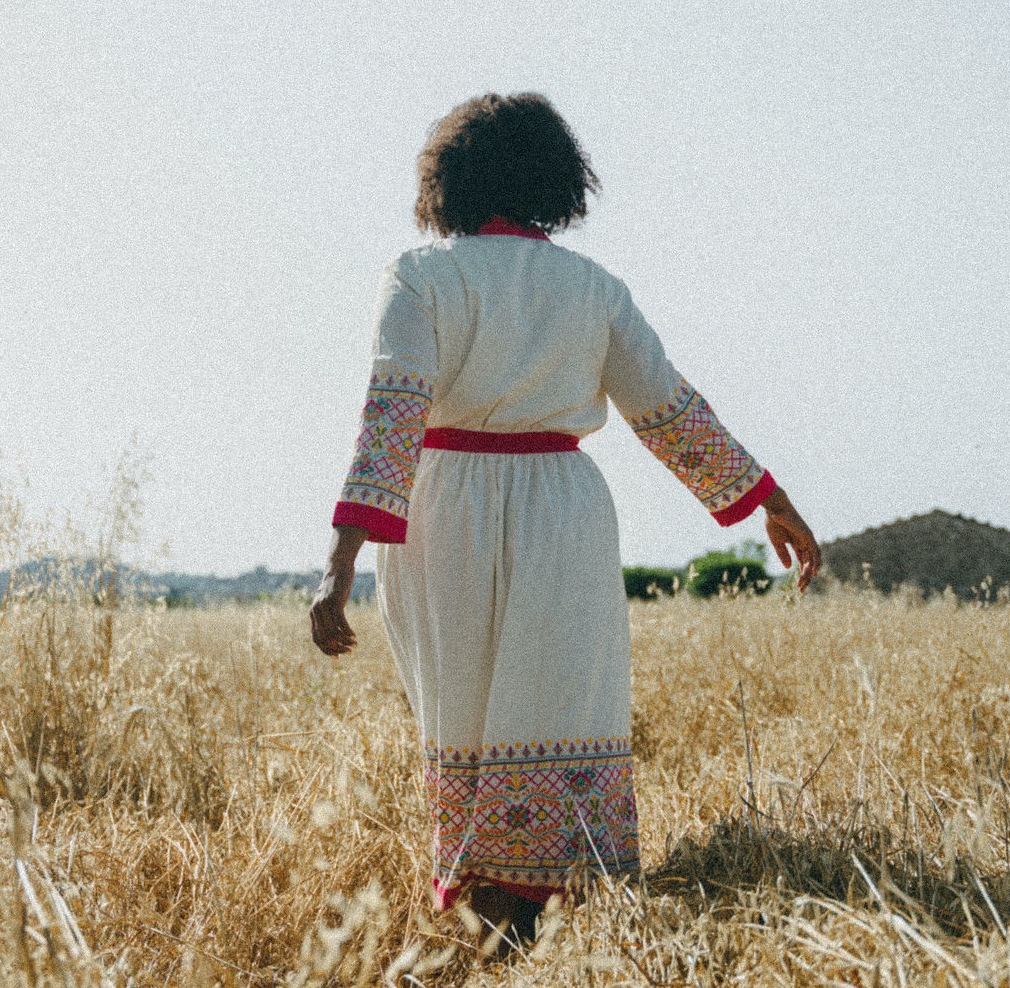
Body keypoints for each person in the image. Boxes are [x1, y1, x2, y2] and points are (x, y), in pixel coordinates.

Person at [308, 92, 821, 946]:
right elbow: (672, 413)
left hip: (443, 515)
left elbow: (390, 421)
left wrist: (340, 563)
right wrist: (770, 499)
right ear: (554, 179)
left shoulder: (421, 276)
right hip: (564, 513)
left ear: (450, 181)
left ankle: (485, 911)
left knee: (461, 719)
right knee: (559, 710)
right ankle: (545, 914)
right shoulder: (593, 288)